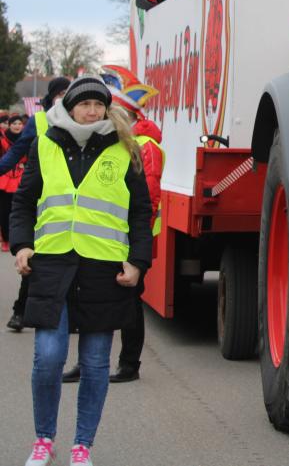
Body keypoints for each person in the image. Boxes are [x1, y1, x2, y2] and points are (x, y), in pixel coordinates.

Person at [10, 76, 152, 466]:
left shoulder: (125, 149)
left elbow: (141, 212)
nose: (92, 111)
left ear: (107, 108)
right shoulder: (45, 144)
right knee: (48, 357)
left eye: (98, 104)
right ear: (70, 107)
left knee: (94, 363)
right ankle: (44, 439)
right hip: (52, 264)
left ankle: (82, 445)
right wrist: (22, 245)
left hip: (104, 268)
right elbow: (24, 202)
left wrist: (138, 262)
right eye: (84, 104)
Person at [64, 75, 163, 385]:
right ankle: (87, 361)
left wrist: (136, 250)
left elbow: (146, 197)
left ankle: (129, 364)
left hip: (130, 238)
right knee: (93, 301)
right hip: (107, 237)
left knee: (130, 300)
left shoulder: (141, 145)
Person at [1, 77, 70, 333]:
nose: (63, 97)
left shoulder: (84, 120)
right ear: (51, 97)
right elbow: (16, 151)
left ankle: (70, 315)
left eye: (67, 93)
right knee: (35, 257)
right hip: (43, 200)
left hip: (74, 202)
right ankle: (20, 311)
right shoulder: (39, 121)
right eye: (59, 93)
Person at [1, 114, 27, 250]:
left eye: (19, 123)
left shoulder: (27, 139)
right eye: (14, 123)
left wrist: (25, 165)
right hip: (4, 179)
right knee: (4, 211)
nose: (17, 126)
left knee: (20, 211)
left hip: (22, 178)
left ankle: (19, 239)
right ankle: (6, 239)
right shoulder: (2, 140)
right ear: (9, 125)